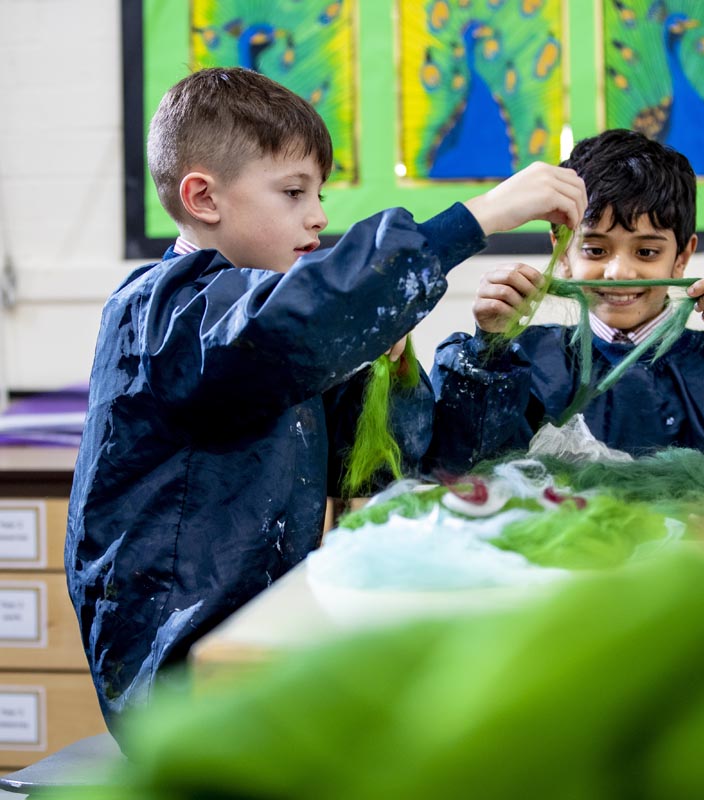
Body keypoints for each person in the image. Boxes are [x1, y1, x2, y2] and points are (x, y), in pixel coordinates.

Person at [65, 66, 586, 737]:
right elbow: (288, 324)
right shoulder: (166, 310)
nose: (318, 216)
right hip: (180, 683)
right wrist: (474, 220)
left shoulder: (267, 338)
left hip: (265, 646)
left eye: (317, 193)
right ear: (203, 197)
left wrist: (391, 371)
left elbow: (374, 465)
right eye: (292, 191)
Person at [428, 129, 704, 483]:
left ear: (682, 255)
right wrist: (487, 350)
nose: (619, 273)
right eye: (596, 251)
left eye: (646, 253)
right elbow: (455, 462)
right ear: (562, 252)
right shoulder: (519, 363)